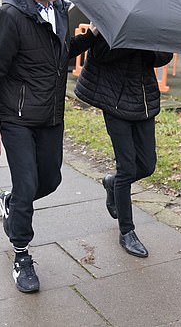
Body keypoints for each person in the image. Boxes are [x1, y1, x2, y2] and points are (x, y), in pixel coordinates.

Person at [0, 0, 94, 293]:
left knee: (51, 180)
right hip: (17, 118)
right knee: (27, 186)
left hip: (50, 116)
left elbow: (57, 54)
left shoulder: (58, 9)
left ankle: (10, 201)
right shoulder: (10, 17)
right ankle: (22, 254)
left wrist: (88, 39)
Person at [74, 30, 173, 258]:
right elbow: (99, 55)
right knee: (127, 168)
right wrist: (131, 40)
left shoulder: (154, 23)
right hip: (114, 99)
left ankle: (113, 183)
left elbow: (163, 57)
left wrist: (149, 44)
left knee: (147, 165)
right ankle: (127, 231)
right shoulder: (113, 21)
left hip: (143, 99)